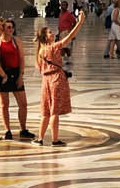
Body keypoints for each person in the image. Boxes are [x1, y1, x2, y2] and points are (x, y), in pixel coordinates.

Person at [36, 8, 86, 144]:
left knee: (46, 111)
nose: (53, 34)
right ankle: (55, 139)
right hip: (56, 79)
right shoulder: (52, 48)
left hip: (45, 81)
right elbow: (69, 37)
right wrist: (80, 23)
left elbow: (40, 69)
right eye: (50, 33)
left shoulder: (40, 51)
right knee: (54, 112)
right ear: (46, 37)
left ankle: (40, 138)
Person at [0, 19, 35, 140]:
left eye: (12, 27)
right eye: (8, 27)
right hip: (3, 74)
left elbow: (22, 59)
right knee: (4, 104)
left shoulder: (16, 41)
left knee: (23, 104)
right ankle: (7, 130)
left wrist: (21, 75)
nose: (11, 29)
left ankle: (23, 129)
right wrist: (1, 75)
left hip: (16, 73)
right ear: (3, 29)